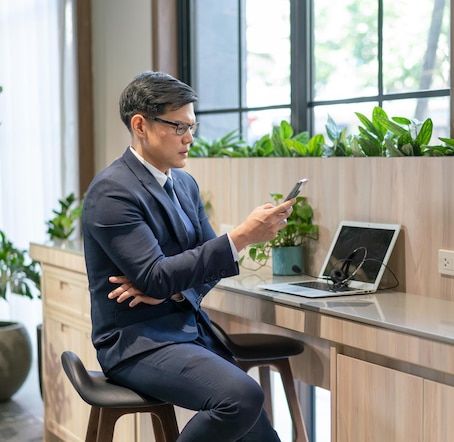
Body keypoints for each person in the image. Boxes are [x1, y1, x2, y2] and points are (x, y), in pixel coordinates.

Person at [81, 71, 294, 441]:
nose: (189, 139)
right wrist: (241, 236)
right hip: (136, 344)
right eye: (179, 127)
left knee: (259, 430)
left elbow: (203, 271)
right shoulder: (112, 192)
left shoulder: (184, 184)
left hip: (188, 333)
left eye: (192, 126)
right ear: (140, 125)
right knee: (242, 396)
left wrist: (175, 291)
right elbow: (156, 276)